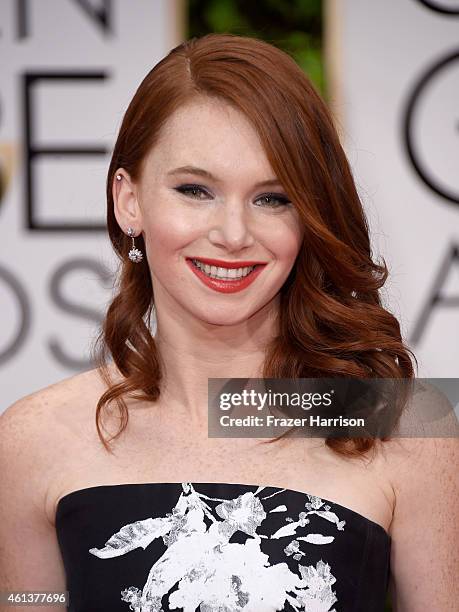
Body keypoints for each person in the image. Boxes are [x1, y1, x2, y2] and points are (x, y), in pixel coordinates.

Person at [0, 33, 456, 612]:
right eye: (195, 190)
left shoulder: (402, 426)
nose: (234, 235)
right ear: (129, 200)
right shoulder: (33, 440)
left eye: (272, 198)